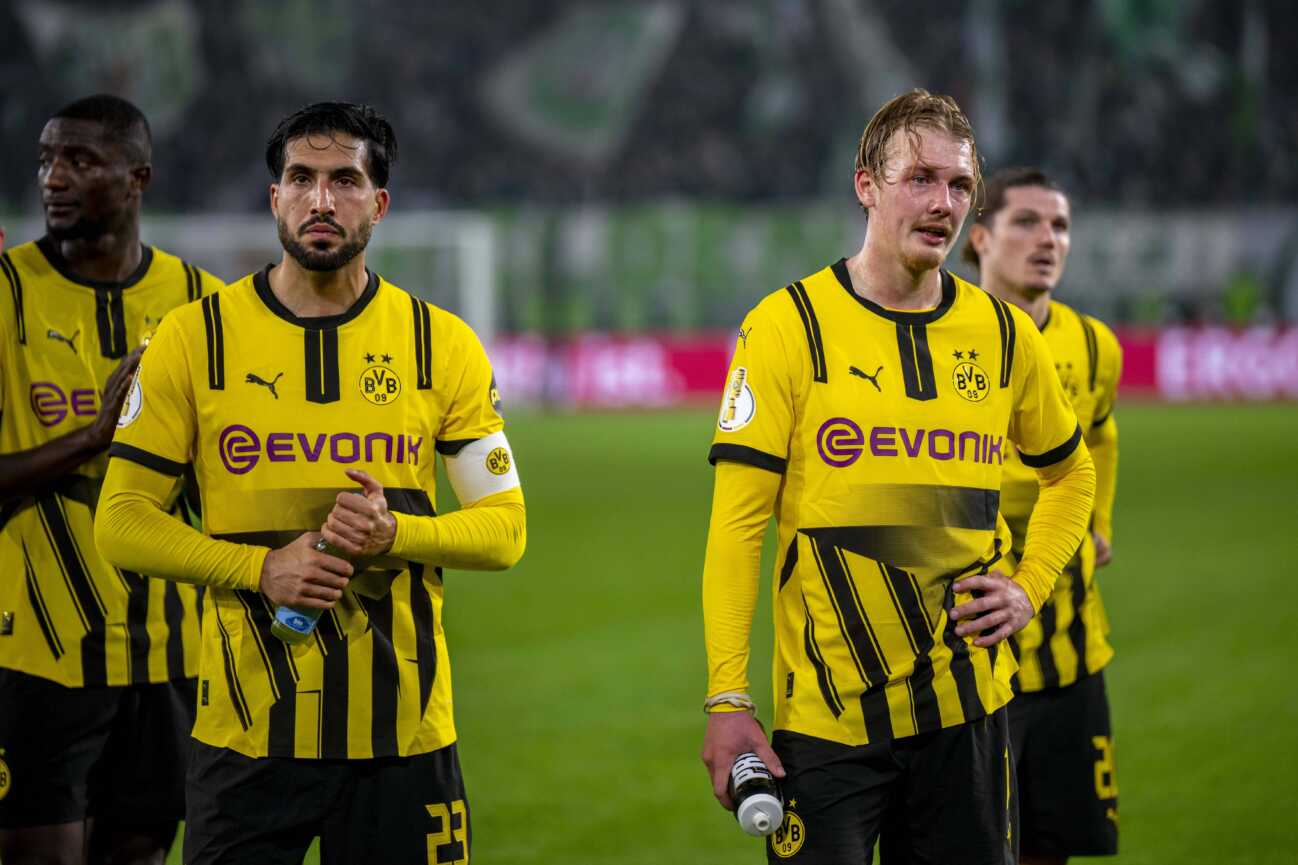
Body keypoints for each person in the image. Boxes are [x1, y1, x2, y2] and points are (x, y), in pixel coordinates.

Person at [95, 101, 526, 865]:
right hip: (245, 737)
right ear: (274, 197)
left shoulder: (442, 345)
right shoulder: (194, 341)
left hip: (405, 736)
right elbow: (121, 522)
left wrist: (400, 533)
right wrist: (262, 566)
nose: (321, 200)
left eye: (345, 180)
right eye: (300, 178)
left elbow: (505, 530)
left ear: (380, 203)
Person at [699, 89, 1097, 864]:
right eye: (919, 177)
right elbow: (738, 526)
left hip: (972, 714)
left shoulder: (1006, 333)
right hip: (827, 725)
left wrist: (1030, 584)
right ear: (865, 184)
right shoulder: (788, 326)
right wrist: (727, 698)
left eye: (958, 185)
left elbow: (1070, 473)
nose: (942, 202)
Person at [0, 94, 216, 865]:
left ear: (137, 179)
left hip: (171, 654)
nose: (53, 178)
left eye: (81, 160)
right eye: (46, 159)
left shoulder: (202, 306)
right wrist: (91, 438)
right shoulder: (6, 292)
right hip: (38, 652)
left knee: (140, 855)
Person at [960, 167, 1122, 863]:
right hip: (974, 653)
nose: (1047, 238)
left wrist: (1100, 518)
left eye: (1059, 224)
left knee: (1051, 847)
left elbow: (1102, 435)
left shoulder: (1094, 346)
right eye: (1026, 221)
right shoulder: (948, 337)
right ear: (981, 238)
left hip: (1072, 650)